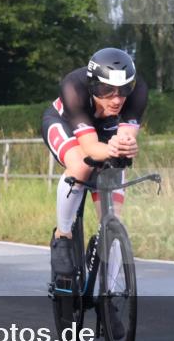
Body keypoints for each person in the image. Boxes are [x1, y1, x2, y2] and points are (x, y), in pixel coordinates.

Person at [41, 48, 148, 276]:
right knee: (81, 165)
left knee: (113, 215)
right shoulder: (74, 87)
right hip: (65, 123)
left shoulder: (138, 91)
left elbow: (125, 136)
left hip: (105, 131)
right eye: (106, 90)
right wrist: (112, 148)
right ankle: (63, 236)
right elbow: (90, 148)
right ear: (93, 86)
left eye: (123, 90)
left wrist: (125, 145)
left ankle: (111, 294)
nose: (117, 99)